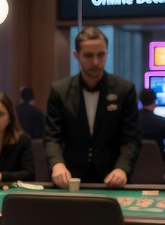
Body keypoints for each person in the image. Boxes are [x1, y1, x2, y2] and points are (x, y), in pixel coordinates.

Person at [44, 27, 140, 188]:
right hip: (69, 177)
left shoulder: (125, 89)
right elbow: (52, 137)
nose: (95, 62)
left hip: (112, 177)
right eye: (88, 55)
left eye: (101, 55)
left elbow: (131, 139)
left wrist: (122, 168)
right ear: (76, 55)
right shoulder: (59, 90)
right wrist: (57, 164)